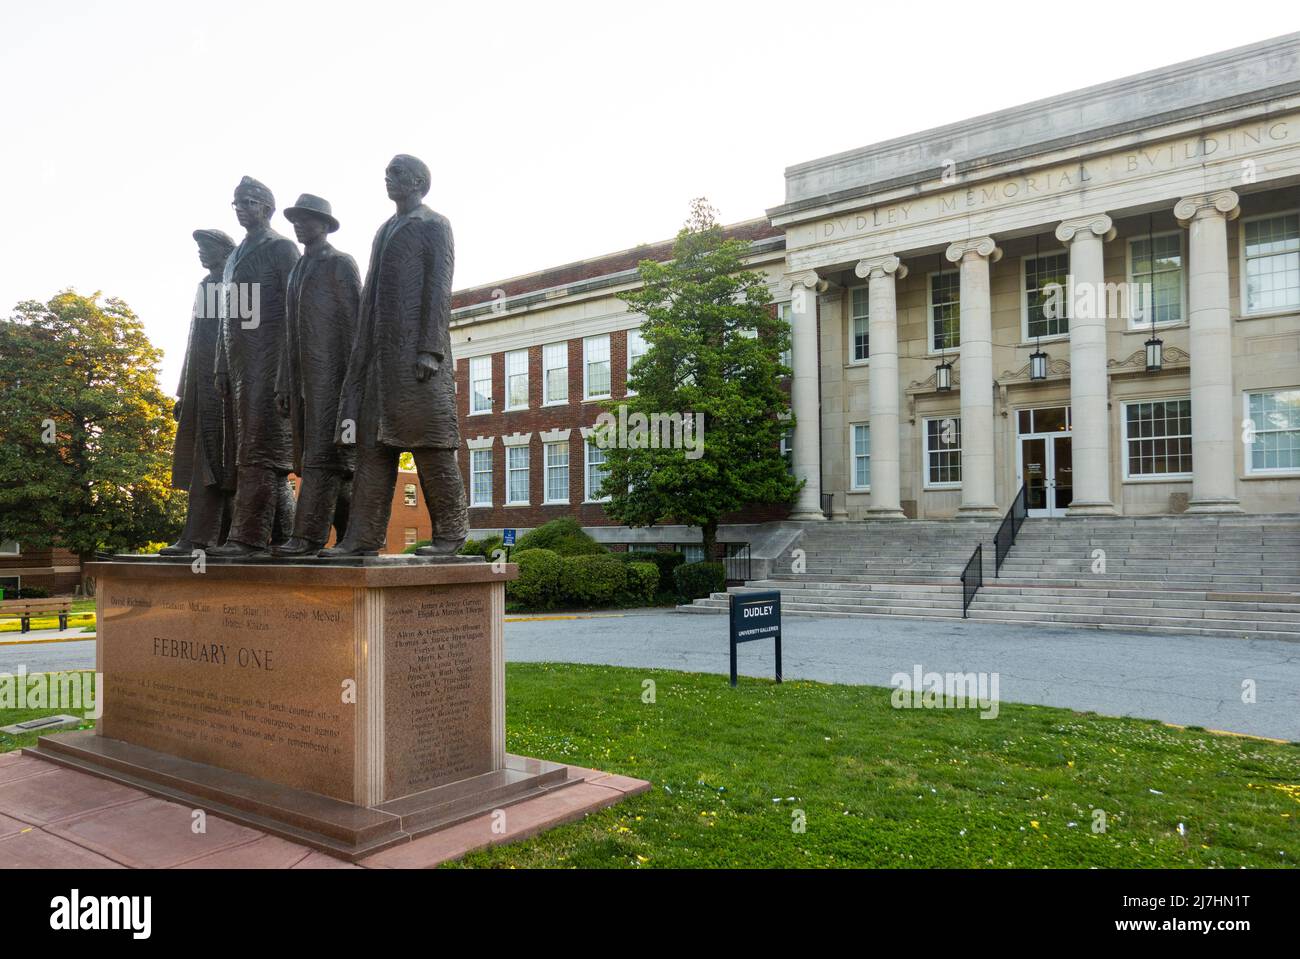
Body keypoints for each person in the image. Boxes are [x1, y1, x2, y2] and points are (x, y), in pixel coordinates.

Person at [320, 155, 467, 557]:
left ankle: (450, 535)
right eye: (386, 173)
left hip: (419, 363)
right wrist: (360, 357)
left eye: (396, 174)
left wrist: (430, 349)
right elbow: (369, 300)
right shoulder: (384, 230)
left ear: (419, 181)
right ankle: (361, 538)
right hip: (379, 364)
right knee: (372, 452)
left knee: (432, 449)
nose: (388, 179)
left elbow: (439, 288)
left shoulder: (434, 225)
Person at [208, 176, 300, 557]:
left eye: (247, 202)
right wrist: (221, 364)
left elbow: (295, 312)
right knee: (254, 452)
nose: (241, 209)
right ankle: (283, 538)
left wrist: (286, 372)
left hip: (270, 365)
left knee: (262, 451)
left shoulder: (282, 249)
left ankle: (247, 537)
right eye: (236, 203)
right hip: (240, 366)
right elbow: (225, 318)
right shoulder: (234, 257)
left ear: (266, 206)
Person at [271, 194, 361, 557]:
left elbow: (356, 326)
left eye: (306, 219)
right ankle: (355, 531)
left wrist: (354, 385)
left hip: (333, 379)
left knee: (325, 458)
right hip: (301, 379)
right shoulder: (297, 270)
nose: (298, 225)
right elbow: (287, 333)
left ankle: (307, 537)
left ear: (324, 225)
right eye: (295, 219)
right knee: (316, 459)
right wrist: (282, 382)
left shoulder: (340, 263)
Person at [160, 229, 237, 555]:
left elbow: (243, 338)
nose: (201, 253)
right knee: (204, 465)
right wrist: (182, 393)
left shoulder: (237, 284)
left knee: (232, 466)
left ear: (225, 251)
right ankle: (198, 537)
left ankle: (237, 536)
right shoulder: (206, 286)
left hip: (228, 389)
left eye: (208, 247)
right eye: (199, 248)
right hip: (203, 389)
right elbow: (195, 346)